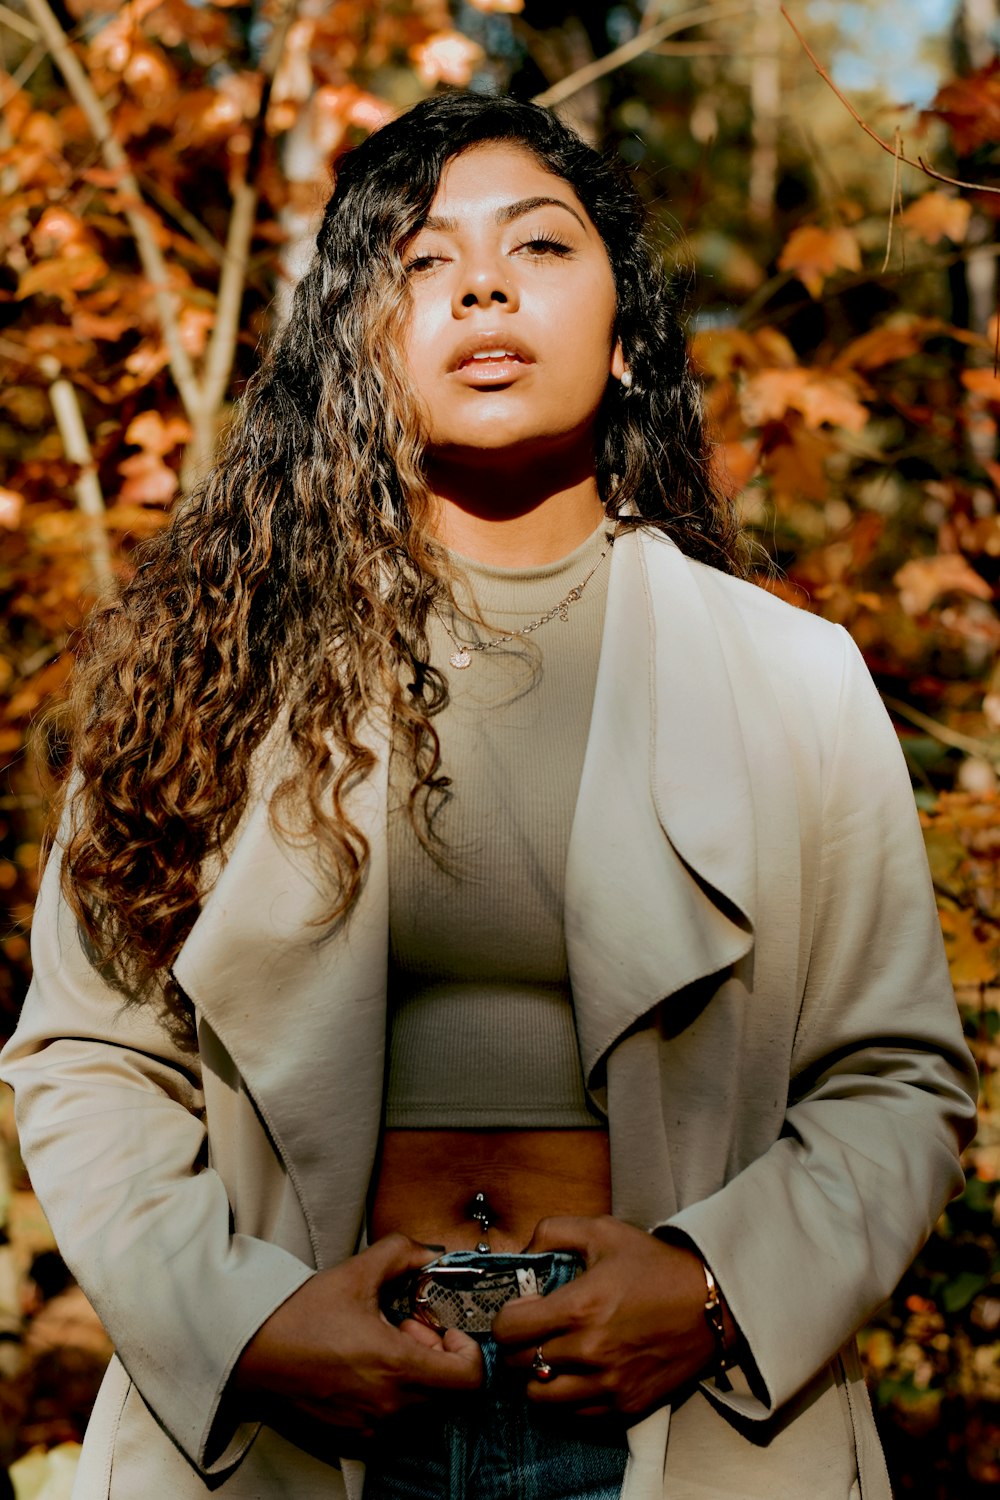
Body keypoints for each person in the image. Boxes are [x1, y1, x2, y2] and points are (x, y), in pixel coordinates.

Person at [0, 92, 978, 1500]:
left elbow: (894, 1079)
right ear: (359, 344)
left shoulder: (792, 676)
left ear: (629, 336)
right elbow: (89, 1058)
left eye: (540, 245)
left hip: (683, 1410)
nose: (482, 282)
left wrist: (710, 1292)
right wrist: (252, 1325)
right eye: (419, 261)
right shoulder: (207, 667)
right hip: (302, 1413)